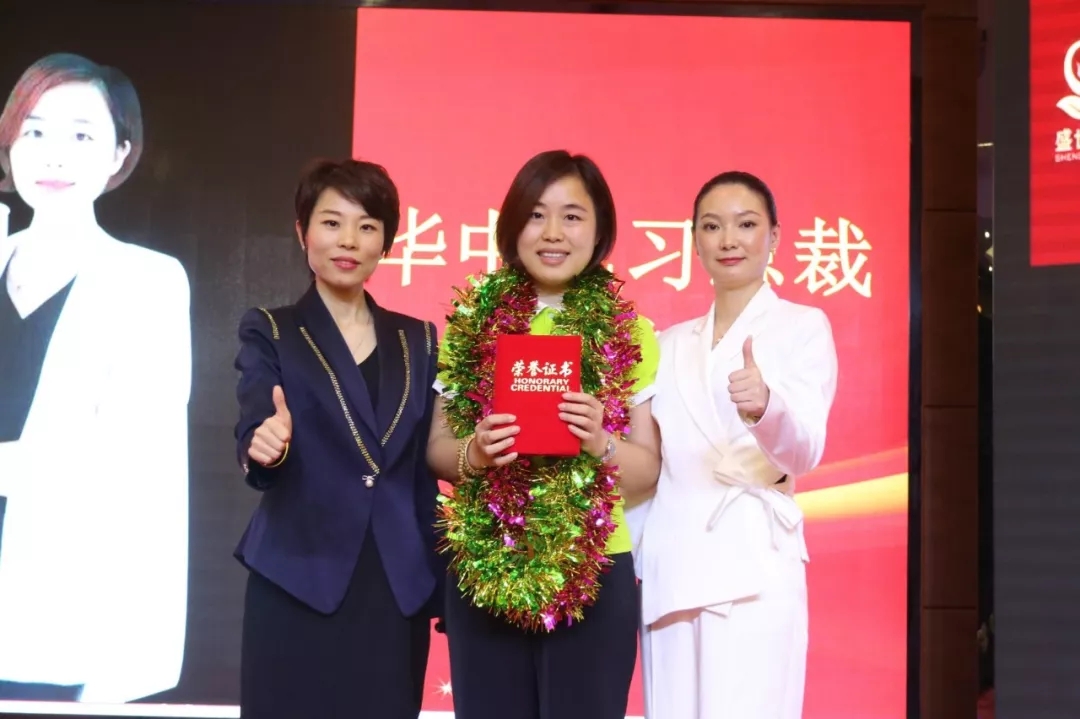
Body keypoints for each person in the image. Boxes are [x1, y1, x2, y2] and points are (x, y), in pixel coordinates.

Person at [426, 149, 661, 719]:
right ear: (511, 227)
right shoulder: (471, 324)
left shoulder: (631, 332)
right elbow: (437, 451)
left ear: (599, 230)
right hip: (488, 565)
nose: (553, 232)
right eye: (535, 214)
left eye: (572, 216)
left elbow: (647, 472)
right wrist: (476, 453)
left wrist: (601, 441)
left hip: (592, 569)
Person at [0, 53, 190, 703]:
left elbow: (131, 458)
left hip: (56, 618)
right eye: (35, 130)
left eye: (81, 135)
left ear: (119, 154)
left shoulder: (148, 281)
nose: (54, 155)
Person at [233, 158, 442, 719]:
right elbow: (257, 414)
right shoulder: (271, 329)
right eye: (331, 222)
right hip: (296, 576)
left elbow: (424, 468)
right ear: (302, 231)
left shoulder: (418, 340)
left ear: (386, 242)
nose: (348, 240)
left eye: (367, 226)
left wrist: (440, 580)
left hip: (393, 587)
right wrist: (264, 445)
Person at [637, 171, 839, 718]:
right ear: (694, 240)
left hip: (755, 560)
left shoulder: (802, 326)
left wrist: (765, 408)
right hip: (673, 563)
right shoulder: (667, 344)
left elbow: (804, 451)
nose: (729, 240)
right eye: (712, 226)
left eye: (746, 224)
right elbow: (649, 461)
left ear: (774, 237)